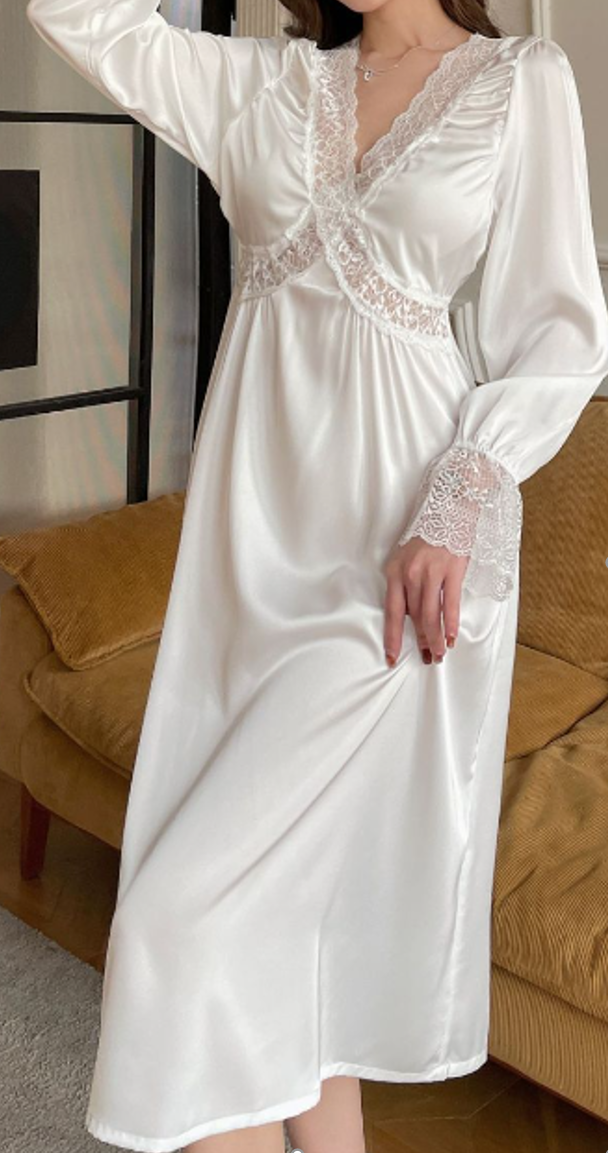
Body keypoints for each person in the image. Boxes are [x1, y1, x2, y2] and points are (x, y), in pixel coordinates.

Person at [25, 0, 608, 1149]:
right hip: (251, 574)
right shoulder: (261, 87)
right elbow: (69, 12)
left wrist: (460, 495)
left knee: (179, 928)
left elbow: (558, 330)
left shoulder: (517, 82)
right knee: (287, 959)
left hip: (407, 562)